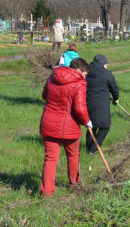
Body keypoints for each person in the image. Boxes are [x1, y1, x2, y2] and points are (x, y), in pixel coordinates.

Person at [39, 58, 92, 196]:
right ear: (79, 70)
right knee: (73, 156)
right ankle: (74, 185)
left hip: (49, 123)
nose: (84, 77)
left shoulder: (52, 76)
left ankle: (46, 192)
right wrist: (87, 121)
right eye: (85, 74)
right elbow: (80, 109)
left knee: (50, 159)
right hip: (70, 127)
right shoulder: (79, 83)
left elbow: (44, 96)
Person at [85, 54, 119, 154]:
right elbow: (115, 89)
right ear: (103, 64)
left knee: (92, 125)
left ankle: (88, 147)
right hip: (102, 104)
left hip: (88, 103)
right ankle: (93, 149)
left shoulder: (86, 73)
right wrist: (116, 99)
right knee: (105, 126)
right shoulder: (107, 74)